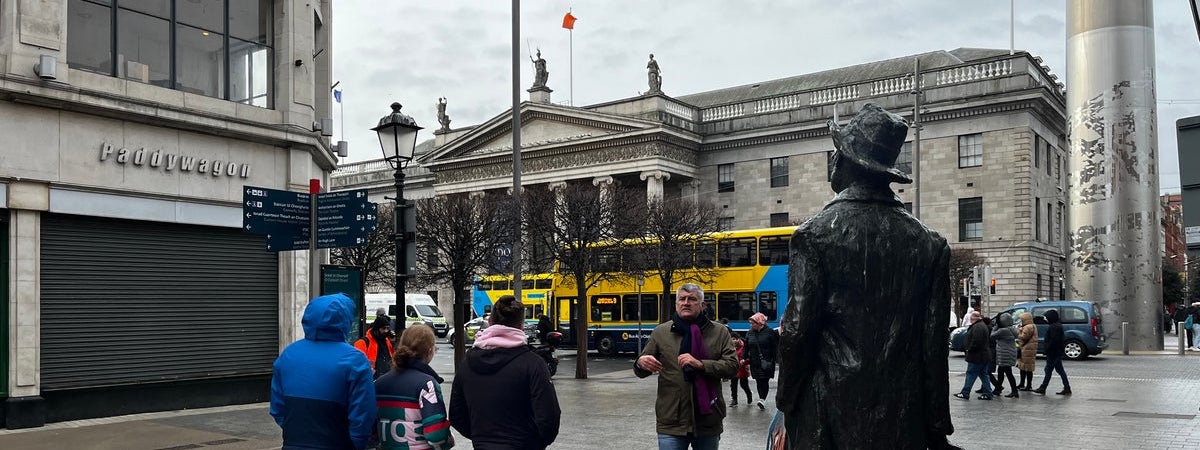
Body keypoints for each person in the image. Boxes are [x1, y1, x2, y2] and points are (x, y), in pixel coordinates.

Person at [777, 103, 957, 449]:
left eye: (836, 153)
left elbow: (798, 333)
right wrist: (936, 424)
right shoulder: (930, 244)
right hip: (905, 419)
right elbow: (933, 348)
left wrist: (787, 403)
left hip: (827, 412)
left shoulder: (813, 235)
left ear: (845, 163)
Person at [635, 283, 738, 450]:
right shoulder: (661, 332)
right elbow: (641, 368)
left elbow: (732, 366)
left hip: (708, 418)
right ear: (676, 304)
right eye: (682, 299)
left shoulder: (719, 332)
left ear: (702, 305)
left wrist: (700, 364)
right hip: (671, 419)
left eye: (692, 299)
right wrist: (641, 363)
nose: (686, 302)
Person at [450, 295, 560, 449]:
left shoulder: (467, 364)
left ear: (489, 322)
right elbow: (549, 418)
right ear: (521, 326)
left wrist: (481, 437)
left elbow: (456, 415)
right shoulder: (533, 364)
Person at [270, 293, 375, 450]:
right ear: (345, 321)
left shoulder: (289, 354)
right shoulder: (354, 359)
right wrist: (357, 443)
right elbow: (363, 413)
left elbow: (278, 408)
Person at [374, 324, 453, 450]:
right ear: (429, 351)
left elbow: (371, 429)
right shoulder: (426, 384)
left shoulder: (379, 383)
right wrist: (448, 441)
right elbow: (435, 433)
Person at [1033, 309, 1072, 395]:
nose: (1046, 319)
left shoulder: (1054, 327)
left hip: (1053, 352)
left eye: (1047, 317)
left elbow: (1053, 340)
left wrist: (1047, 349)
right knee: (1059, 370)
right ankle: (1067, 387)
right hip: (1057, 352)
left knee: (1048, 370)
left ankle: (1043, 387)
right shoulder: (1057, 325)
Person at [744, 312, 778, 410]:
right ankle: (761, 398)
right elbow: (746, 347)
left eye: (753, 323)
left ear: (760, 323)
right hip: (754, 362)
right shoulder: (750, 333)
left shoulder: (770, 332)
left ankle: (762, 399)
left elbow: (775, 347)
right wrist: (743, 357)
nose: (751, 325)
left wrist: (775, 359)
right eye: (751, 323)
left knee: (764, 380)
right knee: (759, 381)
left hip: (766, 362)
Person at [956, 312, 993, 400]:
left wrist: (969, 349)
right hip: (983, 355)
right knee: (984, 374)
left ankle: (965, 392)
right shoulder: (981, 325)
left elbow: (976, 341)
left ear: (973, 318)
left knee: (971, 373)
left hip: (977, 356)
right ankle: (988, 393)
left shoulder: (978, 326)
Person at [990, 313, 1019, 398]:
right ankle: (998, 389)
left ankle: (1014, 391)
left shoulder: (1003, 330)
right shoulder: (1012, 329)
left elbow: (992, 335)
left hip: (1004, 353)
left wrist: (996, 326)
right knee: (1002, 372)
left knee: (1007, 373)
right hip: (1010, 352)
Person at [1015, 312, 1038, 391]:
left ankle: (1027, 385)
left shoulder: (1028, 327)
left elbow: (1023, 337)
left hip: (1026, 349)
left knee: (1026, 368)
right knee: (1025, 367)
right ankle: (1024, 384)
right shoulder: (1033, 326)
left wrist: (1018, 331)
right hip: (1030, 349)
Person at [729, 334, 752, 407]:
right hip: (733, 368)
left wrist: (744, 361)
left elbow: (748, 357)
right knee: (733, 385)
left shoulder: (744, 347)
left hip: (742, 368)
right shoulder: (730, 347)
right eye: (732, 339)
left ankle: (749, 394)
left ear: (739, 339)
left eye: (735, 339)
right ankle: (734, 399)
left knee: (744, 385)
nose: (734, 341)